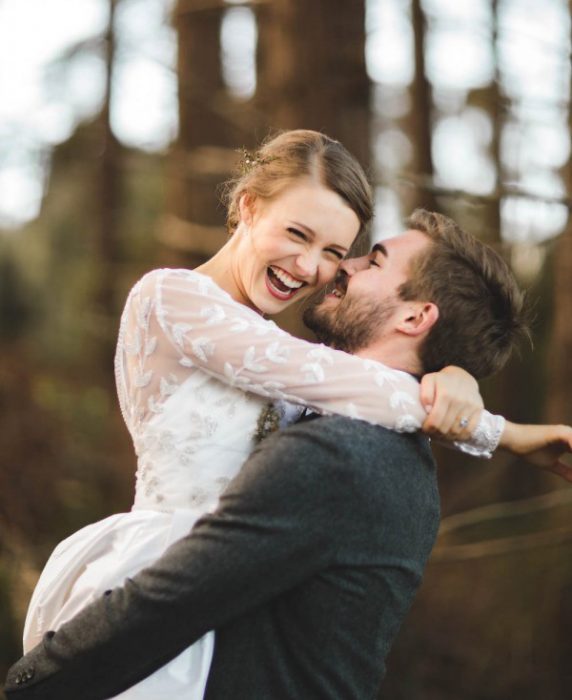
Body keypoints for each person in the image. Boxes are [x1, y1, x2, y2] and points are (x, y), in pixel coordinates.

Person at [5, 208, 572, 700]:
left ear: (414, 317)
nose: (342, 265)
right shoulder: (394, 445)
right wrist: (461, 388)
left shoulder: (339, 457)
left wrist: (29, 683)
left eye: (372, 261)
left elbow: (168, 602)